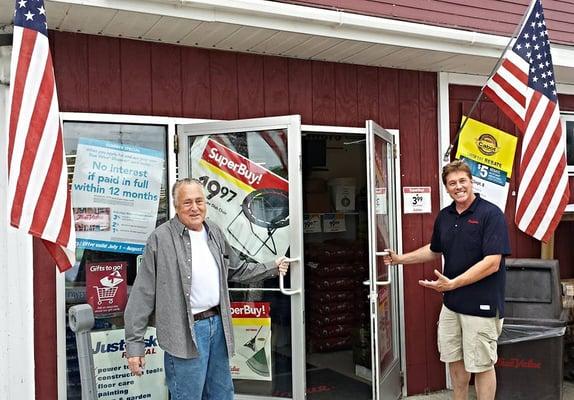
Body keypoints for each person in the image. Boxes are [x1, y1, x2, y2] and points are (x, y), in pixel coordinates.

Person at [124, 178, 290, 400]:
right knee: (188, 396)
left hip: (217, 327)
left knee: (222, 394)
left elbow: (236, 270)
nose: (194, 208)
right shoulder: (160, 239)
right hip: (185, 332)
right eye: (187, 202)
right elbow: (142, 294)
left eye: (199, 201)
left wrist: (272, 267)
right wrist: (135, 345)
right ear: (176, 206)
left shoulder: (214, 232)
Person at [383, 160, 510, 400]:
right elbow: (434, 250)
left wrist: (453, 283)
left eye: (463, 181)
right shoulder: (445, 215)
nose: (458, 186)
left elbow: (492, 263)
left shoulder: (490, 214)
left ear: (472, 182)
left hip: (481, 306)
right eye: (452, 183)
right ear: (446, 188)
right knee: (454, 359)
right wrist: (400, 259)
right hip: (452, 304)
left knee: (482, 364)